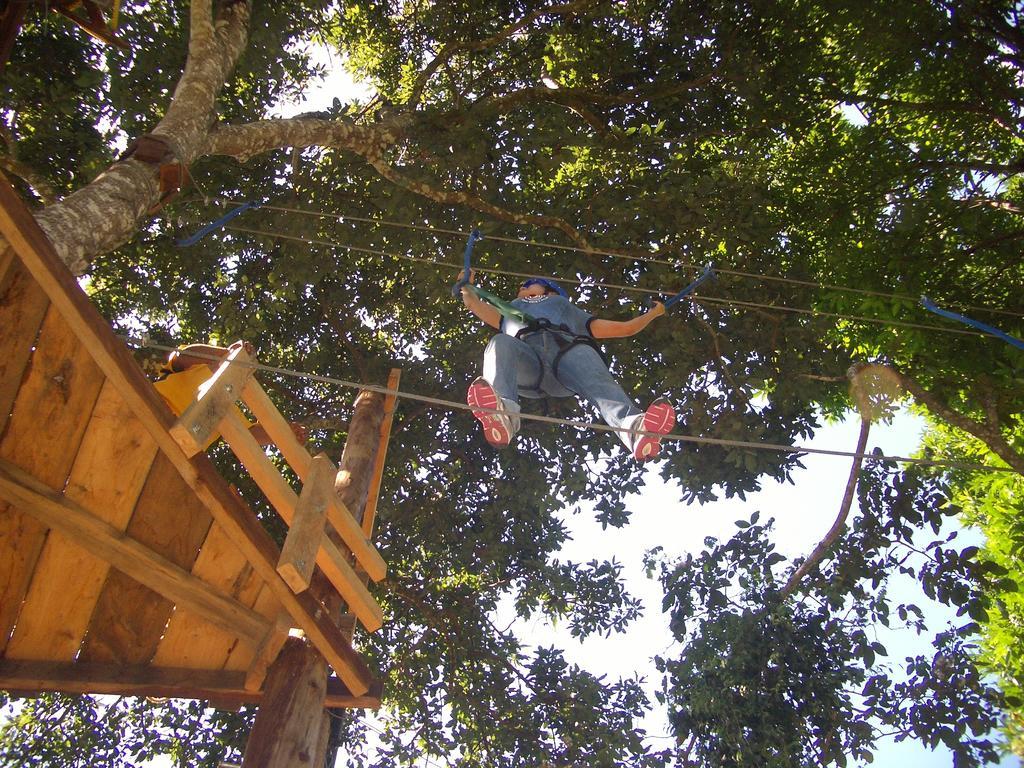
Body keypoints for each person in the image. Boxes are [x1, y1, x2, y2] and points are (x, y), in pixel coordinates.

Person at [459, 271, 675, 461]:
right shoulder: (510, 309)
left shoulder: (565, 307)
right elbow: (474, 304)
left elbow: (625, 329)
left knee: (588, 359)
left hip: (566, 356)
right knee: (500, 343)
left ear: (551, 291)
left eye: (529, 284)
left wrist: (653, 314)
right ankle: (503, 413)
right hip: (527, 360)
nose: (522, 288)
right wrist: (466, 287)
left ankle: (636, 429)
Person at [154, 341, 306, 450]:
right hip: (152, 406)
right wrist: (225, 353)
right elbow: (181, 356)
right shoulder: (195, 367)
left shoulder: (225, 406)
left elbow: (251, 435)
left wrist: (286, 432)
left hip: (176, 447)